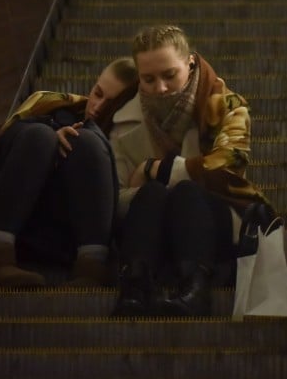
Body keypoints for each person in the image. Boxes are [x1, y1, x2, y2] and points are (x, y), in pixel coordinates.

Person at [110, 25, 271, 317]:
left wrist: (156, 168)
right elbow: (115, 200)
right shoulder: (122, 118)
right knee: (154, 193)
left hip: (211, 227)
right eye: (148, 79)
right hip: (148, 231)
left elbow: (228, 166)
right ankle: (134, 286)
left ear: (191, 63)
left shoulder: (226, 105)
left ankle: (195, 288)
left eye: (169, 75)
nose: (160, 88)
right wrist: (156, 188)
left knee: (185, 192)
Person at [0, 58, 138, 288]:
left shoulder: (132, 139)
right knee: (40, 136)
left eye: (111, 102)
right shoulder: (56, 110)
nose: (96, 106)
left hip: (74, 237)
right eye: (97, 93)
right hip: (23, 221)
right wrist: (53, 132)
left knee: (87, 142)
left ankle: (92, 266)